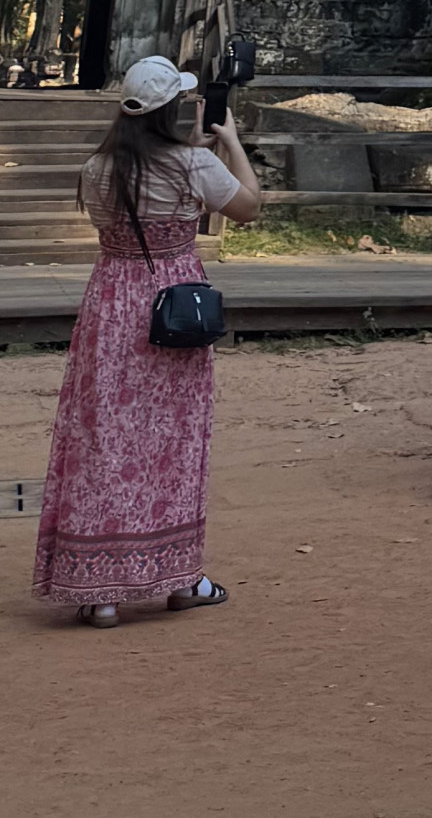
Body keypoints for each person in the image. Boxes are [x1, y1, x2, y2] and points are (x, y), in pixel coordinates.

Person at [33, 53, 261, 623]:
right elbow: (250, 208)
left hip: (111, 302)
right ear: (172, 109)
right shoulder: (192, 164)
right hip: (173, 308)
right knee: (173, 443)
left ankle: (100, 589)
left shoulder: (97, 168)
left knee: (105, 439)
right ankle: (178, 576)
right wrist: (229, 141)